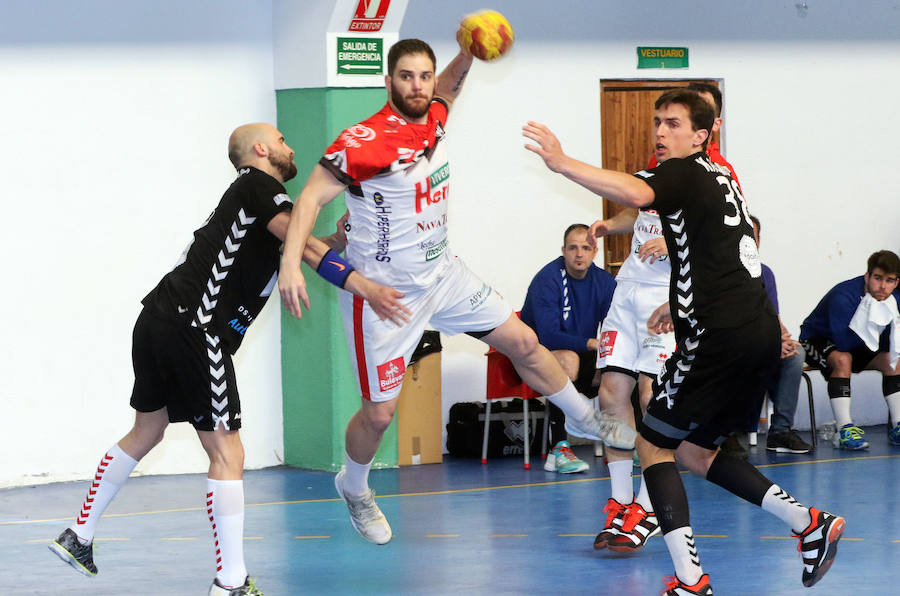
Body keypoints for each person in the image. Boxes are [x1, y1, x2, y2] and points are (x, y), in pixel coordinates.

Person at [277, 37, 635, 547]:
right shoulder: (363, 141)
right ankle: (353, 486)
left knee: (525, 342)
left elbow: (448, 89)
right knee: (379, 414)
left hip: (443, 275)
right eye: (407, 76)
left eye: (424, 76)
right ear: (389, 80)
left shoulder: (435, 117)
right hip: (384, 295)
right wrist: (292, 265)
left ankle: (587, 419)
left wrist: (468, 51)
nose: (419, 86)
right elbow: (310, 198)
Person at [48, 123, 407, 596]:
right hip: (197, 328)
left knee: (148, 430)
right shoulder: (260, 186)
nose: (290, 145)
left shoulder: (253, 201)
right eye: (282, 139)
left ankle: (78, 535)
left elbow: (292, 247)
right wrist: (365, 286)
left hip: (159, 318)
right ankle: (231, 583)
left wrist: (335, 241)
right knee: (228, 451)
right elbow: (301, 249)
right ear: (261, 149)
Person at [524, 88, 845, 594]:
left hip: (719, 338)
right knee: (696, 454)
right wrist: (680, 303)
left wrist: (562, 162)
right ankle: (809, 523)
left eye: (672, 124)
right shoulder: (722, 179)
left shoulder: (687, 170)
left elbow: (633, 192)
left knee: (653, 445)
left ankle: (691, 580)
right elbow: (728, 258)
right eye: (657, 122)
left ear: (702, 134)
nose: (660, 132)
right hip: (752, 331)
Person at [520, 223, 617, 473]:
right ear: (563, 250)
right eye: (573, 248)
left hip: (581, 355)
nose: (579, 254)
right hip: (536, 360)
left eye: (586, 248)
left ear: (595, 252)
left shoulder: (604, 282)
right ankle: (558, 448)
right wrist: (592, 344)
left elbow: (615, 325)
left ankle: (624, 446)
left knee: (620, 363)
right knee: (568, 360)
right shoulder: (548, 279)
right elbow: (549, 336)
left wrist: (606, 358)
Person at [799, 250, 900, 450]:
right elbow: (844, 344)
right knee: (843, 359)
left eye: (889, 280)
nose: (882, 286)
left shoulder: (895, 297)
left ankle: (897, 425)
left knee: (894, 360)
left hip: (858, 343)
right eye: (877, 278)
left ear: (896, 282)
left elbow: (890, 342)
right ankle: (845, 429)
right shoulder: (844, 296)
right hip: (817, 339)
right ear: (867, 276)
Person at [740, 215, 813, 454]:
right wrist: (769, 343)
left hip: (761, 343)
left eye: (754, 236)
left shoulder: (765, 273)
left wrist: (783, 340)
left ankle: (780, 431)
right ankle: (729, 432)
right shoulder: (718, 272)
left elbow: (773, 319)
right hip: (733, 345)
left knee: (795, 353)